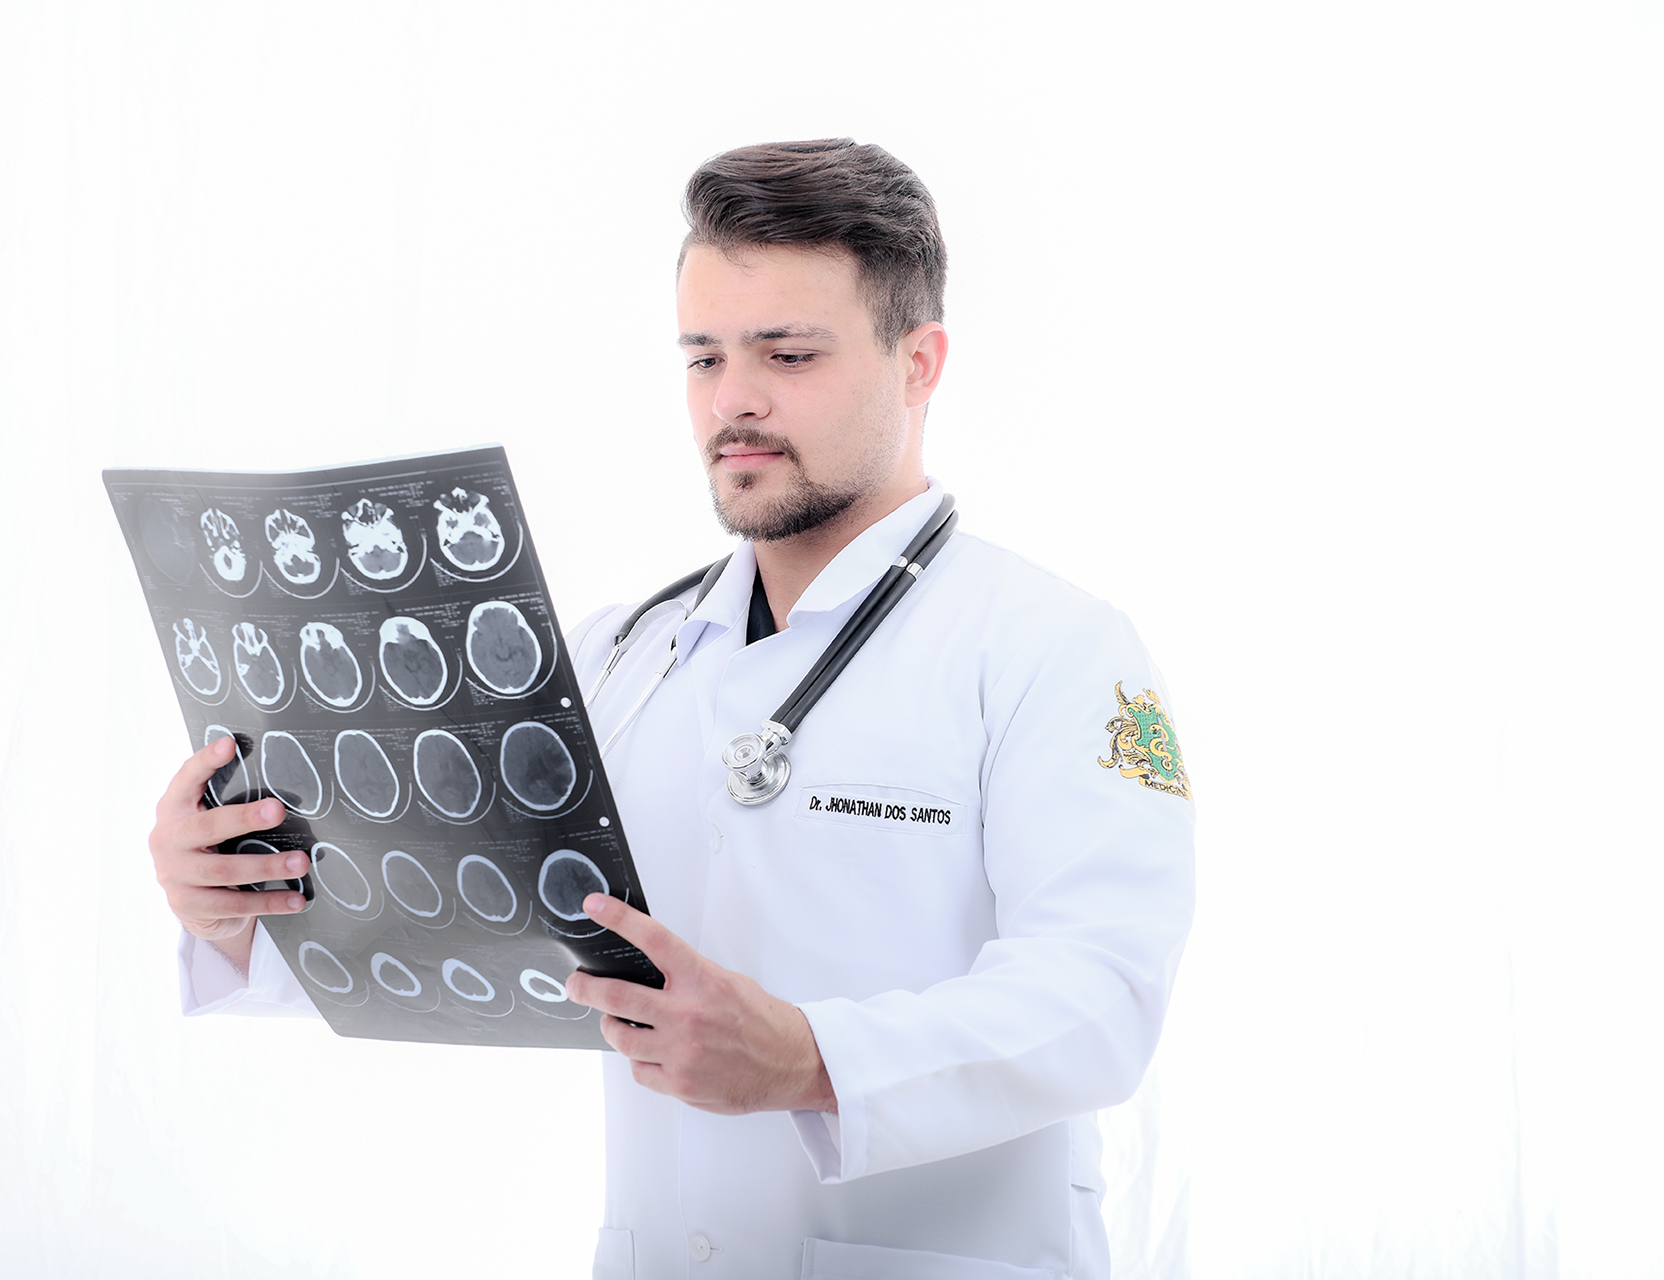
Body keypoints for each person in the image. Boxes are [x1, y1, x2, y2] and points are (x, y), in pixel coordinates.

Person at [147, 138, 1195, 1280]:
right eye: (704, 356)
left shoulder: (1054, 648)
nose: (734, 400)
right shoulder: (619, 657)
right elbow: (461, 925)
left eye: (788, 353)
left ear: (919, 364)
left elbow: (1101, 996)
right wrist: (238, 908)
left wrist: (811, 1058)